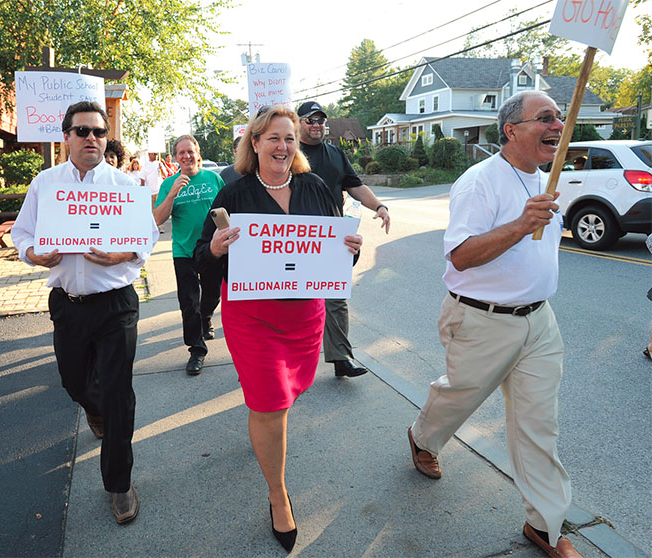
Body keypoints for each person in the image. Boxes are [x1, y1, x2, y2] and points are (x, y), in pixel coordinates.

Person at [407, 91, 581, 558]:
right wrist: (521, 225)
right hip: (480, 320)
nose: (557, 125)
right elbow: (461, 256)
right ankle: (423, 438)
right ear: (512, 130)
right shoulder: (479, 182)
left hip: (540, 322)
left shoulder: (547, 178)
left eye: (559, 118)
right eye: (545, 118)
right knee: (459, 396)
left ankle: (545, 526)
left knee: (538, 425)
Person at [194, 105, 363, 552]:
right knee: (269, 403)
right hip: (253, 317)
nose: (283, 146)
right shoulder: (234, 194)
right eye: (273, 138)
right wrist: (212, 248)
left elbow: (337, 258)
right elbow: (202, 260)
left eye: (289, 138)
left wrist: (349, 249)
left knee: (286, 398)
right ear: (254, 143)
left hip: (304, 317)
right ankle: (278, 494)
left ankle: (264, 432)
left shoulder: (315, 188)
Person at [11, 101, 159, 525]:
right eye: (82, 131)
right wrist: (35, 254)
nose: (91, 138)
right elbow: (22, 234)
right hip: (68, 305)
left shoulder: (124, 185)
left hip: (116, 304)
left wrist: (122, 254)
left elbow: (146, 238)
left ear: (105, 138)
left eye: (98, 131)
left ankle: (119, 483)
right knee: (74, 382)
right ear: (66, 137)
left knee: (118, 394)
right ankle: (92, 408)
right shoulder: (45, 184)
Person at [297, 100, 390, 378]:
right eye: (310, 120)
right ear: (299, 123)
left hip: (332, 237)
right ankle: (291, 361)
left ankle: (341, 358)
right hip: (295, 238)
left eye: (320, 120)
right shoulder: (289, 151)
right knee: (298, 303)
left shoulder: (335, 153)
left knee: (336, 299)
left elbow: (355, 186)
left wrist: (380, 207)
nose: (317, 125)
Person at [153, 135, 225, 375]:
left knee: (212, 294)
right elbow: (158, 219)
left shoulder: (214, 179)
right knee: (189, 302)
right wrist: (173, 192)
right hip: (183, 250)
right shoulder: (169, 184)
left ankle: (207, 317)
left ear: (198, 153)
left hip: (211, 249)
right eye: (181, 153)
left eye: (190, 151)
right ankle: (196, 350)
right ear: (175, 158)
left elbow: (229, 210)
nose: (186, 156)